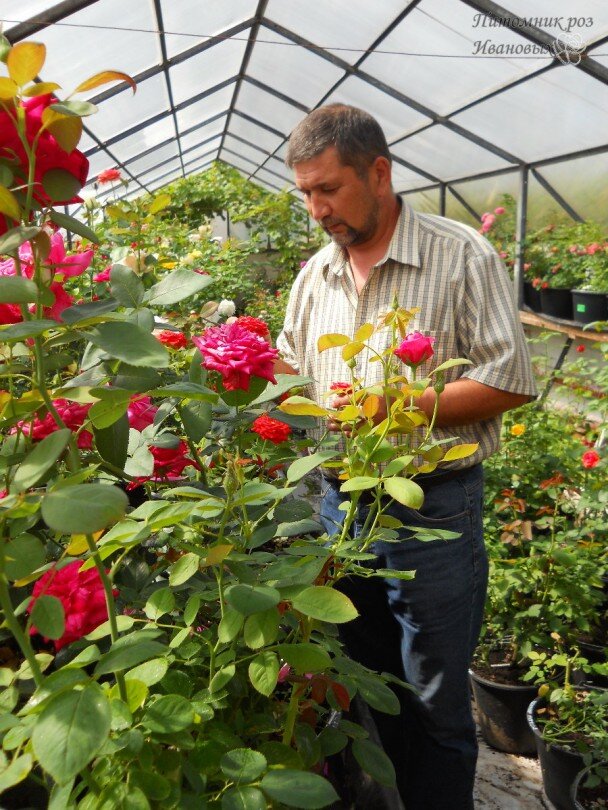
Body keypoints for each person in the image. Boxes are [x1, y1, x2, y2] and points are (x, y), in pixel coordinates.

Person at [274, 104, 537, 810]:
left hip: (434, 510)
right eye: (305, 193)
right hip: (340, 505)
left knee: (437, 699)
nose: (316, 208)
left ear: (380, 172)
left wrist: (395, 404)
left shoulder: (459, 254)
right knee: (367, 680)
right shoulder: (315, 276)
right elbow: (290, 372)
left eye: (328, 189)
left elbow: (510, 380)